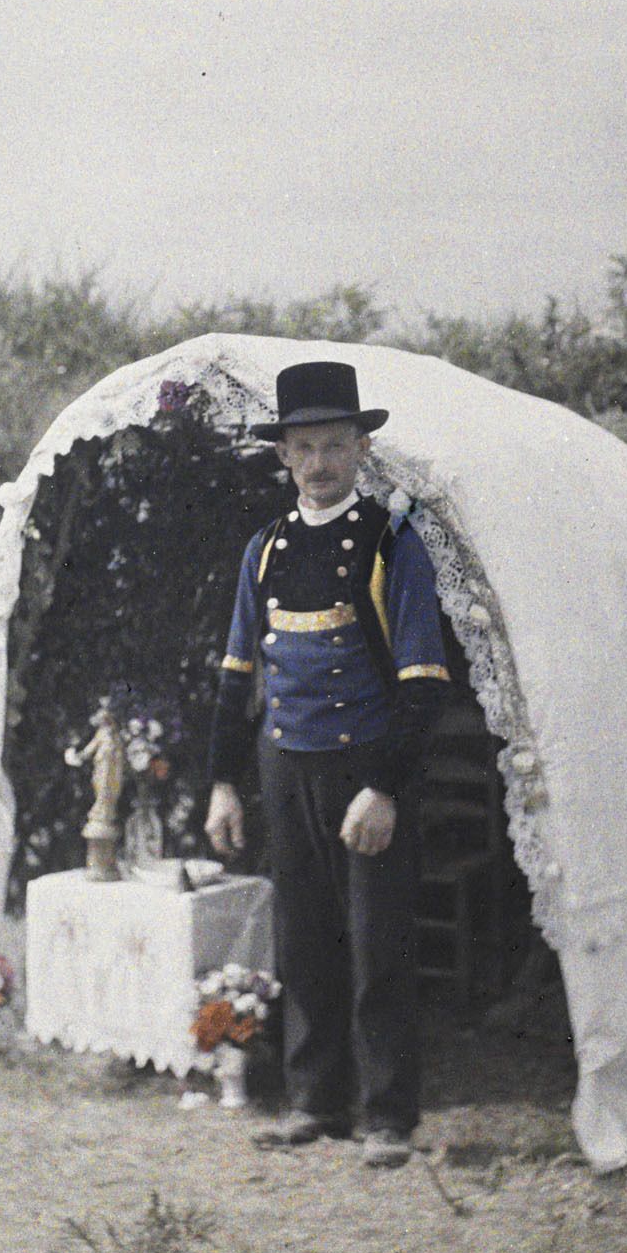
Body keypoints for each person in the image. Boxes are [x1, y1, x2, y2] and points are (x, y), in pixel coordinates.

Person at [204, 360, 449, 1168]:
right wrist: (221, 782)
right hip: (285, 766)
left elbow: (422, 683)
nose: (319, 463)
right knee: (302, 938)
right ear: (283, 456)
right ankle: (315, 1102)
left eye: (335, 445)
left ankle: (386, 1116)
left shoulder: (393, 543)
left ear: (362, 448)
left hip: (366, 773)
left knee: (378, 944)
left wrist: (383, 786)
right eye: (304, 447)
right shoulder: (264, 550)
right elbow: (240, 673)